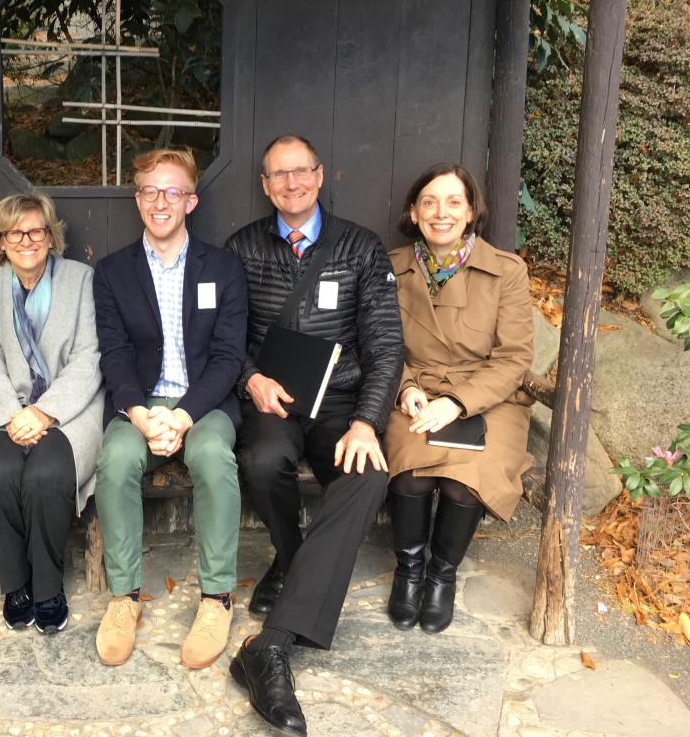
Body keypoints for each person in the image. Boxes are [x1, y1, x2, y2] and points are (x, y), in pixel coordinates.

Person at [224, 135, 403, 736]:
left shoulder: (359, 246)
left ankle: (270, 644)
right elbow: (226, 337)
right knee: (261, 460)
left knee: (369, 472)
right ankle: (293, 557)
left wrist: (366, 421)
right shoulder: (244, 247)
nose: (291, 184)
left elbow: (385, 346)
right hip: (273, 399)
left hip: (340, 401)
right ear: (266, 184)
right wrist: (250, 380)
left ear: (320, 176)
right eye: (279, 175)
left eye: (301, 172)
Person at [92, 149, 248, 669]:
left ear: (191, 200)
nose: (161, 201)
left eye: (173, 191)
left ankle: (216, 598)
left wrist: (182, 416)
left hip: (204, 402)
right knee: (114, 462)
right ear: (138, 200)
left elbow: (229, 357)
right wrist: (140, 415)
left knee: (212, 459)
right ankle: (124, 597)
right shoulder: (113, 272)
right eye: (150, 191)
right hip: (139, 403)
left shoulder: (223, 267)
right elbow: (114, 356)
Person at [384, 163, 533, 634]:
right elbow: (379, 342)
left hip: (489, 395)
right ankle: (409, 572)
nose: (440, 212)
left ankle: (441, 575)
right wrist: (406, 386)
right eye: (429, 202)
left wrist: (460, 402)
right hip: (415, 390)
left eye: (453, 202)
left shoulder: (507, 271)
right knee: (410, 475)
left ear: (471, 212)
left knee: (463, 482)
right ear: (414, 211)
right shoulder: (391, 268)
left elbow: (513, 359)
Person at [0, 192, 103, 634]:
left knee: (45, 477)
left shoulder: (80, 278)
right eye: (14, 232)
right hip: (4, 409)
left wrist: (45, 412)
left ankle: (48, 586)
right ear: (0, 240)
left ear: (50, 235)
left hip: (68, 412)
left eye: (36, 229)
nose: (26, 240)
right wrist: (12, 414)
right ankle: (16, 583)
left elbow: (89, 356)